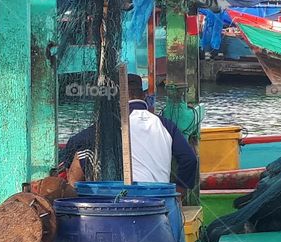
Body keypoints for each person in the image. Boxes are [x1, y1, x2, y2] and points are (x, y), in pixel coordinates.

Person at [64, 74, 198, 195]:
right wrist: (179, 193)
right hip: (161, 200)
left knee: (82, 154)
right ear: (143, 95)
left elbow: (74, 143)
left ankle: (72, 206)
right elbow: (190, 159)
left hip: (127, 199)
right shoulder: (165, 125)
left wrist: (66, 164)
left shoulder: (114, 123)